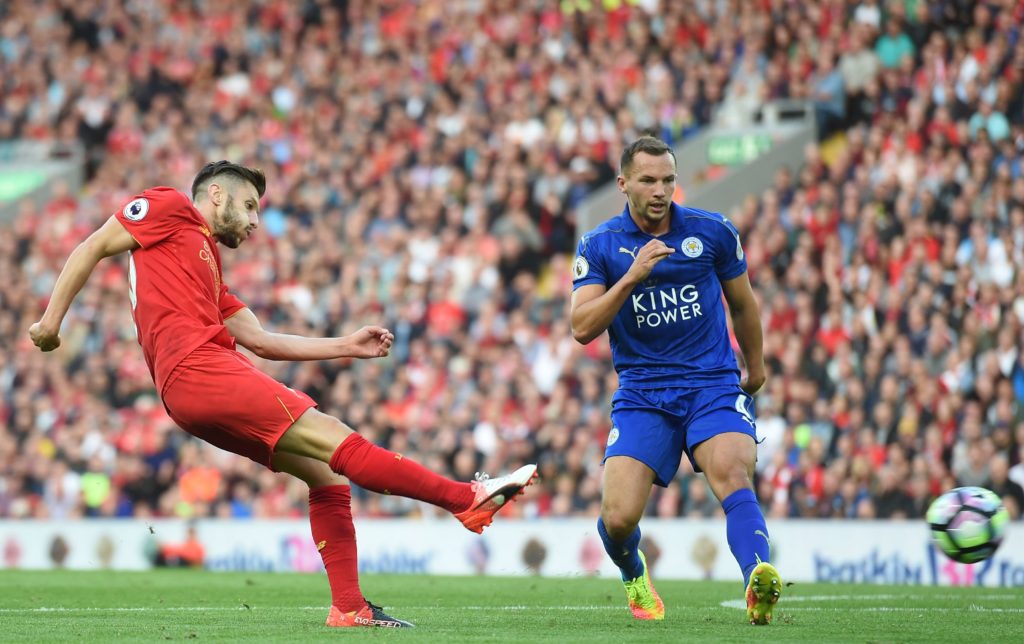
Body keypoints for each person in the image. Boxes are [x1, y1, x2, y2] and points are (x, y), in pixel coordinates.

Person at [29, 161, 538, 629]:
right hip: (199, 370)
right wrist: (52, 322)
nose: (255, 222)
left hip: (186, 389)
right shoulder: (169, 206)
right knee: (337, 439)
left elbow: (262, 341)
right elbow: (92, 244)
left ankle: (349, 607)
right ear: (215, 195)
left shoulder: (207, 271)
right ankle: (465, 500)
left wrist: (346, 346)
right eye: (249, 206)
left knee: (322, 473)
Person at [569, 137, 781, 625]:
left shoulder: (711, 232)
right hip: (643, 394)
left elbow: (744, 304)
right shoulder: (600, 245)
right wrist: (630, 279)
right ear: (623, 184)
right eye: (648, 180)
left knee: (732, 471)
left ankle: (756, 577)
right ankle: (634, 574)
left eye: (668, 179)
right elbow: (582, 328)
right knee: (618, 518)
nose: (661, 190)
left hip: (712, 382)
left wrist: (757, 365)